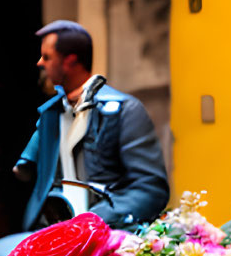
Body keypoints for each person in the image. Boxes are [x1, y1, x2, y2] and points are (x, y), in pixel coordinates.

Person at [13, 19, 169, 231]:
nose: (40, 63)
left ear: (70, 61)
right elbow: (31, 171)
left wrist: (93, 220)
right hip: (50, 232)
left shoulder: (125, 111)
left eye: (48, 57)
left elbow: (149, 189)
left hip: (105, 233)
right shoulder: (51, 114)